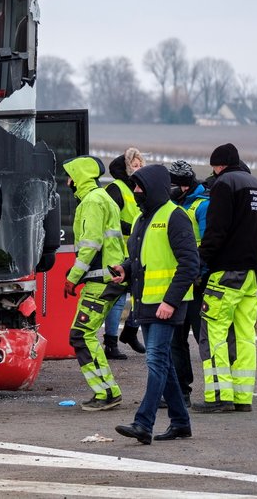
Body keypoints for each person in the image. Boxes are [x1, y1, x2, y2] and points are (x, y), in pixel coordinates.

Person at [112, 164, 200, 444]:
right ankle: (181, 422)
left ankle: (143, 423)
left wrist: (171, 301)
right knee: (165, 363)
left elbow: (190, 265)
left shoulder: (176, 216)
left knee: (155, 361)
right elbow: (141, 259)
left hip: (166, 305)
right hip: (146, 303)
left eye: (140, 187)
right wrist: (126, 269)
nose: (136, 191)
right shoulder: (142, 219)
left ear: (153, 188)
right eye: (134, 186)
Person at [194, 143, 257, 413]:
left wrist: (200, 263)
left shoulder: (224, 185)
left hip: (225, 273)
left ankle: (218, 396)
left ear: (220, 165)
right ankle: (242, 397)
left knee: (214, 334)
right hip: (251, 274)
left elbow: (216, 231)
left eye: (214, 166)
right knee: (246, 336)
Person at [61, 155, 127, 411]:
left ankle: (107, 393)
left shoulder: (91, 201)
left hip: (100, 281)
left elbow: (90, 245)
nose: (67, 180)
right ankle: (107, 391)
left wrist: (71, 278)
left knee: (81, 334)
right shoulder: (100, 198)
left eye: (70, 175)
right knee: (83, 334)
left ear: (79, 177)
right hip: (104, 278)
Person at [166, 159, 209, 408]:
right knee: (176, 340)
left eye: (174, 184)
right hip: (179, 280)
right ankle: (181, 391)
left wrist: (196, 271)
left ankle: (216, 390)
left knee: (202, 337)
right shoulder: (173, 204)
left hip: (197, 280)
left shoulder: (203, 205)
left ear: (184, 186)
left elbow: (206, 243)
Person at [103, 147, 146, 359]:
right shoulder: (116, 188)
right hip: (119, 251)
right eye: (134, 166)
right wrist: (133, 229)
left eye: (140, 165)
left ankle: (130, 332)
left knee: (140, 295)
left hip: (137, 251)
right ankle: (110, 343)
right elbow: (110, 220)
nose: (138, 169)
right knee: (119, 298)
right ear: (127, 167)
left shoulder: (138, 188)